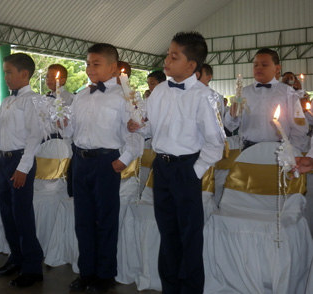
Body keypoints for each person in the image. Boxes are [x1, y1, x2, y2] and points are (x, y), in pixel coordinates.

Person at [128, 31, 224, 293]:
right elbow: (150, 129)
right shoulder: (158, 92)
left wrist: (195, 171)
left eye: (173, 56)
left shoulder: (205, 97)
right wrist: (138, 126)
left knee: (189, 235)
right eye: (167, 55)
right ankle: (170, 287)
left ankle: (191, 288)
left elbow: (216, 142)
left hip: (186, 167)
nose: (166, 61)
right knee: (167, 232)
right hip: (162, 166)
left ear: (191, 65)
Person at [62, 43, 142, 293]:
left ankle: (105, 274)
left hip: (106, 162)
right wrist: (63, 123)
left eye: (95, 64)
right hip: (80, 161)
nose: (89, 68)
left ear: (113, 67)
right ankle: (87, 272)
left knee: (106, 220)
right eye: (87, 63)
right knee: (83, 220)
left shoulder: (126, 96)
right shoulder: (81, 95)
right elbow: (70, 131)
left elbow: (136, 132)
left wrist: (124, 159)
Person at [0, 53, 43, 288]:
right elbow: (1, 132)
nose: (5, 77)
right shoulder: (7, 101)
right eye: (5, 72)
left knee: (22, 215)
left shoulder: (32, 100)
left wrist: (24, 167)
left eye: (8, 72)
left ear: (24, 74)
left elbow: (34, 136)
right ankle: (16, 258)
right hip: (6, 160)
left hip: (20, 160)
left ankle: (32, 266)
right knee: (7, 212)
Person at [224, 48, 309, 151]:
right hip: (249, 149)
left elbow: (298, 127)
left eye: (264, 65)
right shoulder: (243, 93)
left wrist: (294, 151)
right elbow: (231, 126)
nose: (259, 68)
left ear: (277, 69)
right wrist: (232, 115)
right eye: (255, 65)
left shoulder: (288, 92)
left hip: (280, 150)